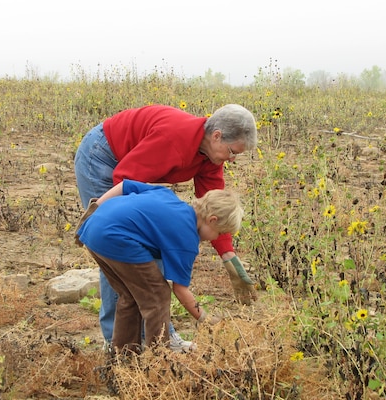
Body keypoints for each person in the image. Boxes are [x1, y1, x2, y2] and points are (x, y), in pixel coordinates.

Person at [74, 104, 258, 351]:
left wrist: (227, 254)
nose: (233, 159)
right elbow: (126, 177)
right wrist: (100, 213)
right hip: (102, 154)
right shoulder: (174, 139)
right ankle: (134, 342)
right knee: (126, 257)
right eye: (233, 151)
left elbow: (213, 203)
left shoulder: (211, 158)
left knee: (139, 262)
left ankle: (128, 348)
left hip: (126, 177)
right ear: (217, 136)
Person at [75, 179, 243, 354]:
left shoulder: (168, 196)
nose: (216, 238)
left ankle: (123, 359)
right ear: (212, 220)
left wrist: (94, 211)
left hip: (94, 227)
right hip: (116, 237)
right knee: (158, 296)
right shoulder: (186, 238)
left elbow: (125, 186)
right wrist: (206, 320)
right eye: (220, 233)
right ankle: (158, 360)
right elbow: (180, 290)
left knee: (130, 295)